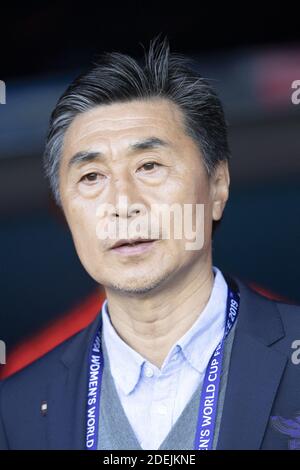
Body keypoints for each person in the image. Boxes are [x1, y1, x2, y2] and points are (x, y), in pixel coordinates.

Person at [1, 36, 300, 451]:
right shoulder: (16, 410)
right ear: (64, 209)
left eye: (149, 166)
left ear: (218, 185)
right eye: (91, 177)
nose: (122, 204)